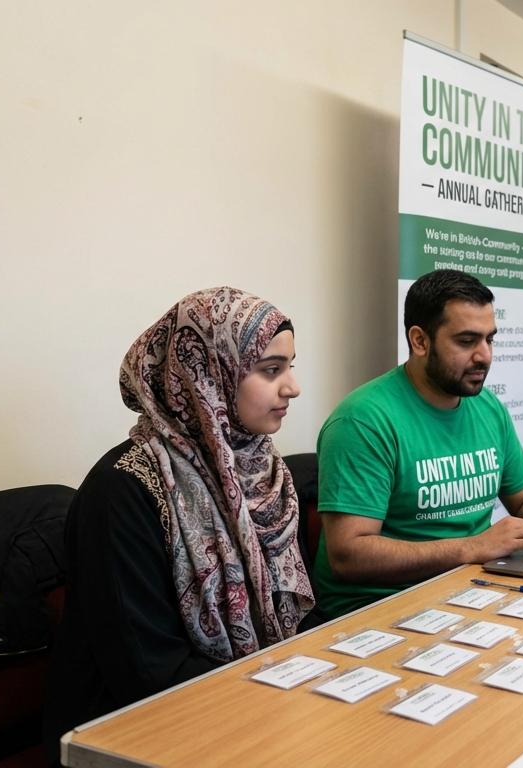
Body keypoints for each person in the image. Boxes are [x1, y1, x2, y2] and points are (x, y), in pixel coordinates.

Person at [46, 287, 313, 751]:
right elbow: (148, 671)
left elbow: (305, 614)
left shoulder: (265, 472)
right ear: (206, 375)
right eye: (271, 370)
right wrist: (283, 706)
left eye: (289, 366)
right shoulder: (124, 490)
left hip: (260, 706)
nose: (292, 386)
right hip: (143, 732)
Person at [311, 269, 523, 619]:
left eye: (490, 339)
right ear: (420, 341)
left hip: (470, 589)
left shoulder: (487, 407)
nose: (485, 355)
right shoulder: (363, 421)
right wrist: (472, 548)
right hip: (379, 607)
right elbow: (349, 555)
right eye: (467, 341)